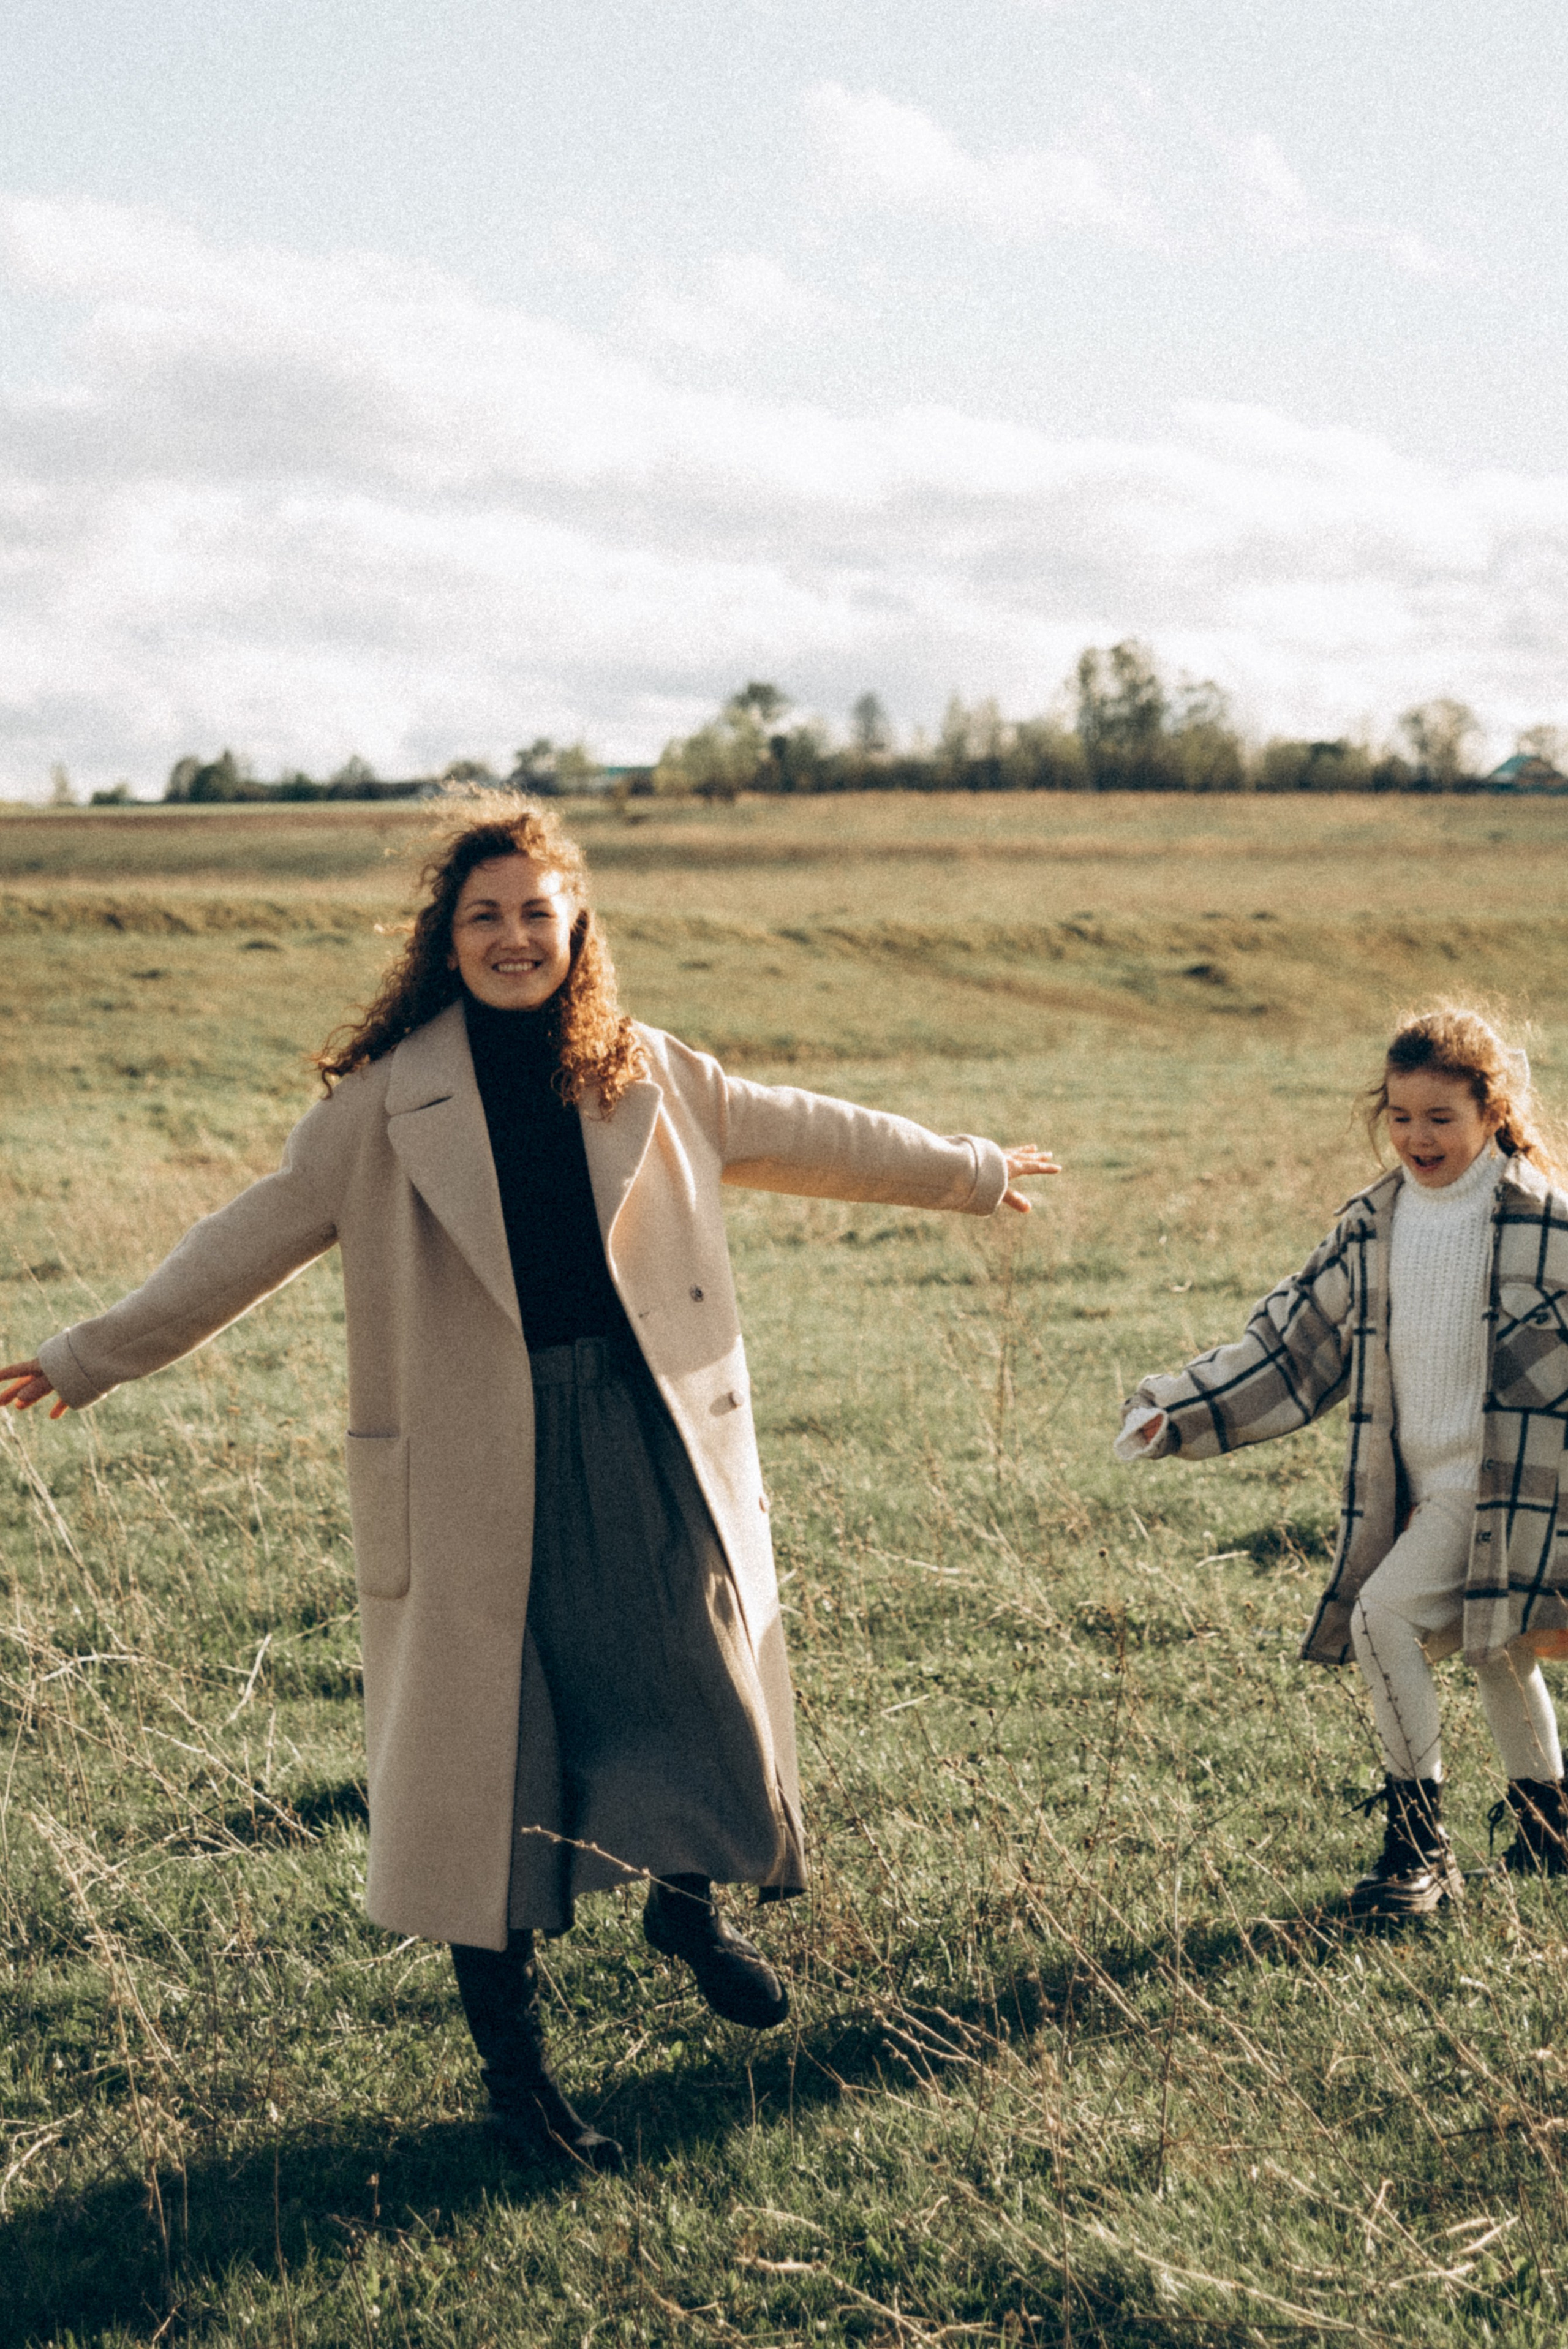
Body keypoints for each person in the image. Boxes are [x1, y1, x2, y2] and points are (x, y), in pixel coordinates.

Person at [1, 797, 1057, 2172]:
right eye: (483, 915)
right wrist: (90, 1353)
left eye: (535, 914)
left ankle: (683, 1905)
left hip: (640, 1432)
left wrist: (970, 1170)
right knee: (487, 1770)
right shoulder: (381, 1107)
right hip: (463, 1465)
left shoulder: (650, 1072)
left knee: (703, 1683)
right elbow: (248, 1237)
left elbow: (814, 1133)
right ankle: (520, 2086)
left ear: (577, 930)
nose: (512, 937)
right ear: (448, 938)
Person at [1114, 1005, 1568, 1920]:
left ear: (1493, 1109)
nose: (1417, 1137)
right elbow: (1287, 1344)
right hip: (1422, 1490)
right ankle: (1548, 1829)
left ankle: (1419, 1850)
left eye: (1441, 1117)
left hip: (1512, 1491)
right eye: (1400, 1116)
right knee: (1499, 1652)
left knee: (1385, 1621)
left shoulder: (1548, 1228)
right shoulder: (1375, 1227)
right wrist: (1181, 1409)